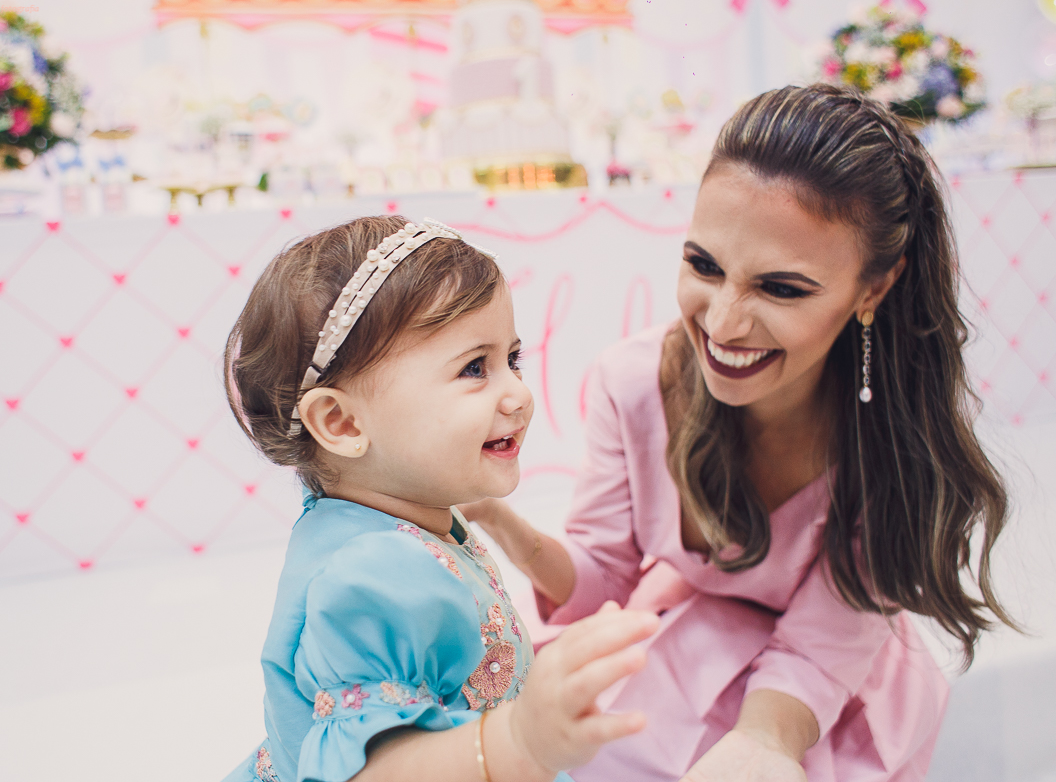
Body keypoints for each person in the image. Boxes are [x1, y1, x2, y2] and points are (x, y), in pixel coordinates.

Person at [464, 84, 1016, 782]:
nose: (722, 325)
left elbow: (823, 646)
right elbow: (603, 580)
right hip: (673, 653)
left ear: (874, 288)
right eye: (703, 265)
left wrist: (764, 743)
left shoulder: (893, 434)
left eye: (782, 289)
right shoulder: (630, 383)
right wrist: (500, 524)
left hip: (819, 697)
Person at [221, 216, 660, 782]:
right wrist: (520, 739)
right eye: (475, 367)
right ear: (341, 421)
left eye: (513, 359)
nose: (519, 394)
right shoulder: (372, 576)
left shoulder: (389, 510)